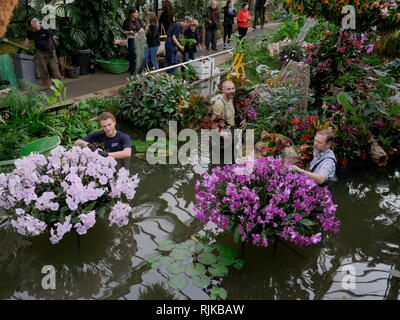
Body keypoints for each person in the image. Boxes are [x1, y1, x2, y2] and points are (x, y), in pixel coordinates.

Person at [209, 80, 246, 163]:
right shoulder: (219, 103)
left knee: (231, 154)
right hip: (221, 136)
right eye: (228, 89)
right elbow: (212, 122)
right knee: (219, 160)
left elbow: (233, 111)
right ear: (223, 90)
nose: (231, 91)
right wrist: (221, 133)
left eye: (233, 88)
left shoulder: (230, 98)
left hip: (230, 130)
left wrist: (242, 119)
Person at [22, 18, 61, 87]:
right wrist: (24, 46)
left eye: (35, 28)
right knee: (42, 67)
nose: (34, 30)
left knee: (53, 66)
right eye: (33, 28)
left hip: (50, 50)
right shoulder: (31, 31)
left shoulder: (45, 29)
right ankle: (47, 83)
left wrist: (56, 40)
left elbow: (53, 36)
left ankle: (58, 82)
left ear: (39, 24)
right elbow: (27, 39)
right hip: (39, 51)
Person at [122, 8, 144, 76]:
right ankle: (133, 72)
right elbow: (123, 31)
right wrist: (129, 32)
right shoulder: (127, 21)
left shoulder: (139, 20)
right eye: (136, 13)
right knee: (132, 56)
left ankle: (139, 71)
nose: (137, 14)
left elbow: (142, 29)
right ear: (132, 13)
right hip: (131, 39)